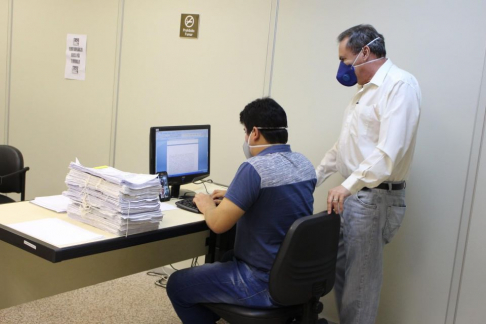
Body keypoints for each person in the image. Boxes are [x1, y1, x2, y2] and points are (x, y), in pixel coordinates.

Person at [166, 97, 317, 323]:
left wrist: (206, 203)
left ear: (254, 132)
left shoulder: (253, 168)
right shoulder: (305, 164)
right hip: (297, 277)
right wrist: (237, 195)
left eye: (246, 132)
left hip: (261, 280)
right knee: (226, 256)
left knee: (177, 284)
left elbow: (218, 224)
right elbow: (280, 201)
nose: (246, 138)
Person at [316, 24, 421, 324]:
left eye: (345, 61)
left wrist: (346, 187)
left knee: (361, 286)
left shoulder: (400, 86)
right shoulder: (364, 92)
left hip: (374, 200)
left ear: (365, 52)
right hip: (353, 198)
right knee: (338, 270)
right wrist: (314, 177)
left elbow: (389, 152)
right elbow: (345, 146)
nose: (342, 70)